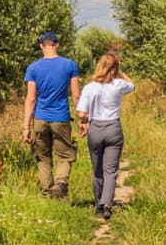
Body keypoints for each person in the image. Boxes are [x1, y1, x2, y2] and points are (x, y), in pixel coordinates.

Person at [76, 53, 136, 220]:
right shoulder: (118, 84)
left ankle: (98, 205)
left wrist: (86, 121)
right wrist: (121, 73)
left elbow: (81, 113)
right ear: (115, 68)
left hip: (96, 128)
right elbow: (132, 85)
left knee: (97, 169)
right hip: (113, 128)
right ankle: (107, 204)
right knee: (111, 170)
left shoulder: (90, 87)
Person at [23, 32, 81, 198]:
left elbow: (31, 99)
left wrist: (26, 127)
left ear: (41, 46)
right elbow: (76, 95)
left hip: (40, 118)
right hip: (61, 117)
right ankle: (61, 182)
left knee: (43, 158)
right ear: (57, 45)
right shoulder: (70, 65)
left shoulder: (33, 68)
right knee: (64, 156)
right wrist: (83, 119)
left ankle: (48, 193)